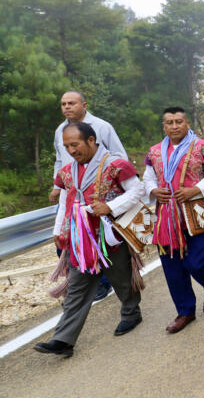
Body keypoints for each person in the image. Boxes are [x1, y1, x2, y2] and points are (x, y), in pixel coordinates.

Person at [35, 123, 144, 357]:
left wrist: (109, 207)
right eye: (67, 146)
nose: (71, 150)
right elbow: (65, 201)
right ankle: (63, 339)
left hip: (110, 236)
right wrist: (58, 229)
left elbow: (137, 191)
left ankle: (131, 312)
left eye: (75, 144)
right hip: (80, 240)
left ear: (92, 140)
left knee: (121, 278)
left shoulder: (116, 165)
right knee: (76, 288)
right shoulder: (67, 172)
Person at [144, 107, 204, 333]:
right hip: (166, 216)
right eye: (169, 122)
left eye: (179, 121)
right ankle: (185, 311)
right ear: (164, 126)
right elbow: (148, 179)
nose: (174, 126)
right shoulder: (154, 152)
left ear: (187, 123)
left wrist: (194, 190)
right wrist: (153, 190)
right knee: (172, 266)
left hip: (197, 211)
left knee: (197, 261)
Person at [51, 90, 127, 301]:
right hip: (70, 192)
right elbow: (60, 159)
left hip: (98, 193)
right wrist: (56, 186)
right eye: (63, 103)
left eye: (72, 103)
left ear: (84, 105)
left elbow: (120, 156)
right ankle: (81, 280)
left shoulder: (102, 127)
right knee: (65, 241)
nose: (67, 107)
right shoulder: (60, 130)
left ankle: (103, 283)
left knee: (101, 238)